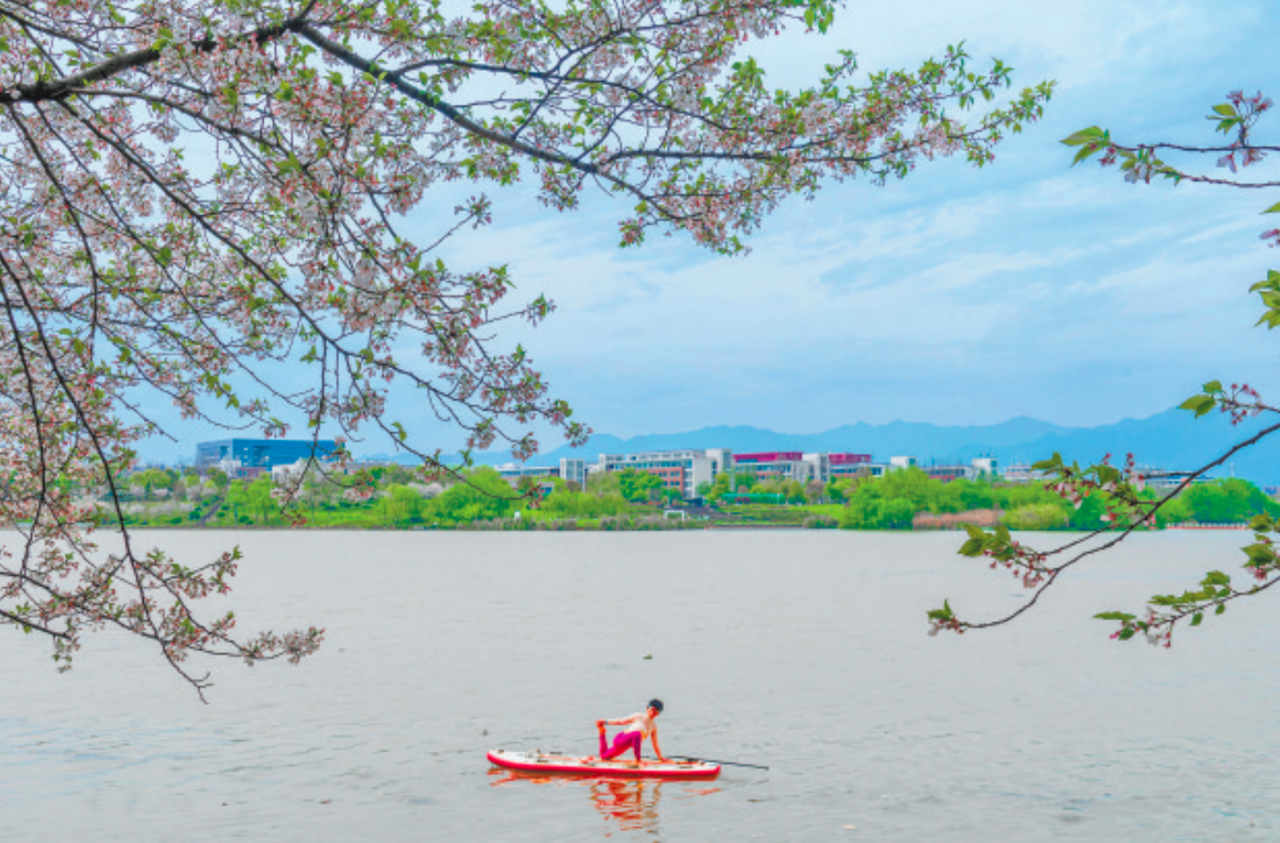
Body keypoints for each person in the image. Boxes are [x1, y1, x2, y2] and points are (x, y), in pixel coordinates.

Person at [596, 699, 667, 764]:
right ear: (647, 708)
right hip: (621, 738)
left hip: (624, 746)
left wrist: (660, 757)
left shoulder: (654, 727)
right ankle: (637, 760)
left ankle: (602, 732)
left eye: (657, 712)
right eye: (652, 710)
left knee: (604, 756)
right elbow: (621, 721)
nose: (653, 713)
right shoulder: (639, 716)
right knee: (637, 734)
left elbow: (655, 744)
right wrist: (605, 722)